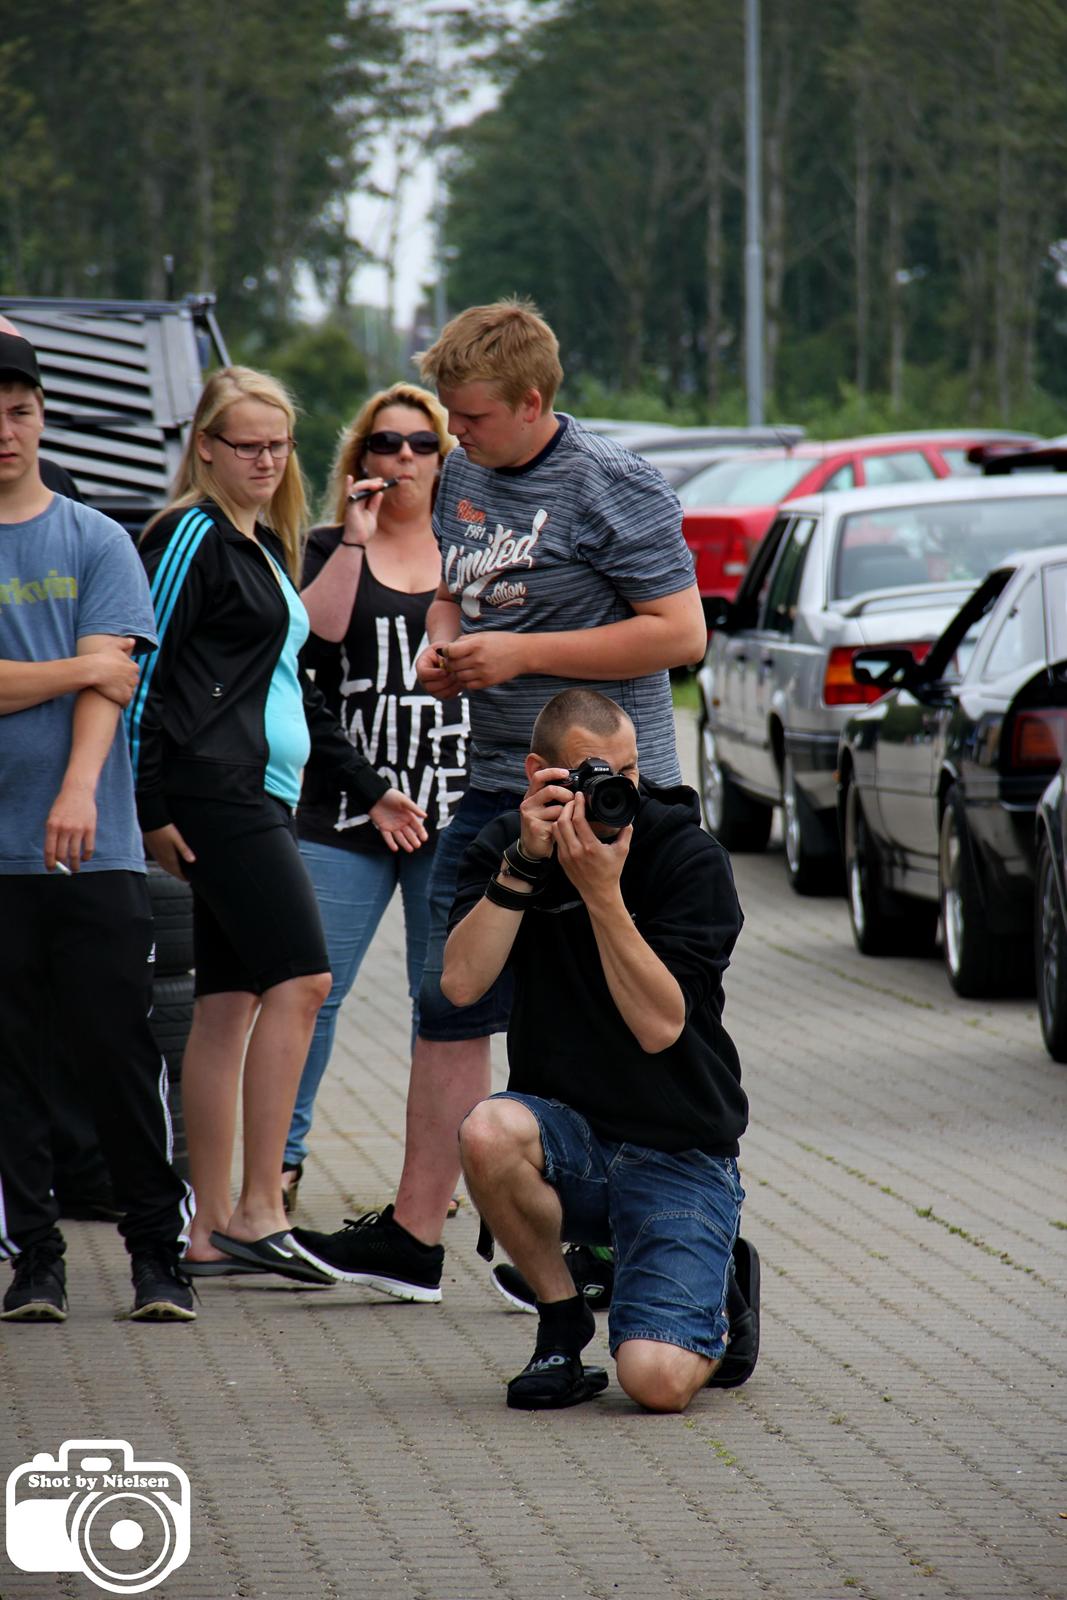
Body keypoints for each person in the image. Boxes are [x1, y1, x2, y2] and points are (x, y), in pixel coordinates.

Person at [290, 299, 707, 1302]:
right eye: (447, 419)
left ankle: (583, 1235)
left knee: (596, 1012)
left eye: (469, 419)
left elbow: (677, 634)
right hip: (493, 788)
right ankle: (412, 1235)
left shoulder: (615, 485)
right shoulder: (469, 469)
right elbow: (458, 585)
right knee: (450, 999)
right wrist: (445, 646)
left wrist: (521, 654)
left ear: (530, 402)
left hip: (612, 791)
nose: (452, 439)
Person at [126, 366, 425, 1283]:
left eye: (278, 443)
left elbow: (292, 688)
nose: (264, 458)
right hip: (217, 791)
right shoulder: (190, 534)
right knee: (304, 980)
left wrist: (369, 786)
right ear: (205, 447)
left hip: (260, 791)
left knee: (227, 1007)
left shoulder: (261, 544)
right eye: (245, 443)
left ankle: (208, 1226)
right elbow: (144, 669)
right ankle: (262, 1205)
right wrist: (148, 807)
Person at [444, 688, 758, 1411]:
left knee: (653, 1384)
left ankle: (721, 1284)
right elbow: (460, 986)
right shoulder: (507, 848)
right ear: (539, 775)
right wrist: (524, 865)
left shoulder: (684, 854)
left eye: (627, 773)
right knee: (487, 1129)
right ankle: (560, 1318)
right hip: (572, 1140)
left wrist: (601, 895)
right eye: (591, 775)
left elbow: (659, 1027)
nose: (614, 794)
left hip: (679, 1149)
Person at [0, 328, 196, 1322]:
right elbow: (96, 667)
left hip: (95, 850)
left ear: (42, 417)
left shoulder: (93, 538)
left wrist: (79, 790)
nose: (5, 430)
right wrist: (80, 665)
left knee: (120, 1058)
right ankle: (34, 1261)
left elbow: (114, 687)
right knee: (12, 1069)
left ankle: (158, 1256)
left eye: (20, 410)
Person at [283, 383, 468, 1210]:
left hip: (457, 815)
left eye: (422, 444)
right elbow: (303, 678)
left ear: (444, 456)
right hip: (345, 813)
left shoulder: (472, 556)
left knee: (449, 1005)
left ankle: (440, 1182)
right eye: (386, 444)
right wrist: (374, 788)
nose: (403, 459)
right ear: (360, 458)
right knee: (309, 991)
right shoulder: (325, 548)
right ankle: (278, 1166)